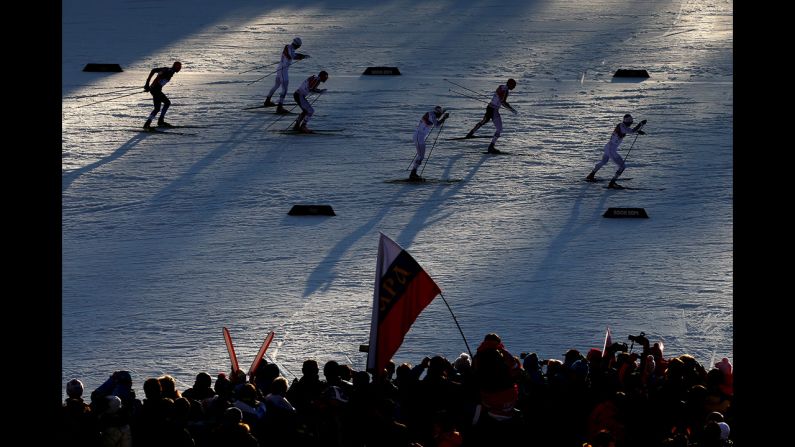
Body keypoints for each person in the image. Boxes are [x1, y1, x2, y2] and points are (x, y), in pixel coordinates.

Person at [585, 114, 647, 188]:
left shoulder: (621, 125)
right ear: (627, 122)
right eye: (630, 123)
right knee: (622, 166)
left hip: (608, 147)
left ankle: (591, 175)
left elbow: (629, 131)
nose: (630, 124)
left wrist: (638, 131)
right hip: (611, 150)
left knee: (604, 162)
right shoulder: (622, 126)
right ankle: (612, 183)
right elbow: (631, 131)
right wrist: (640, 124)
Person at [465, 78, 516, 153]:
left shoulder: (501, 86)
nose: (514, 87)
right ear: (510, 84)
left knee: (484, 121)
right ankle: (491, 147)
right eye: (513, 86)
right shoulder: (506, 90)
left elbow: (498, 97)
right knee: (499, 129)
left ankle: (470, 133)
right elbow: (503, 102)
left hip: (489, 107)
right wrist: (512, 109)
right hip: (494, 111)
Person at [265, 37, 310, 114]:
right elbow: (292, 56)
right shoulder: (289, 48)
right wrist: (302, 56)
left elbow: (292, 55)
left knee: (276, 85)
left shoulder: (288, 47)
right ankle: (279, 107)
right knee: (285, 89)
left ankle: (267, 101)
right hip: (283, 70)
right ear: (296, 45)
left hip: (280, 69)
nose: (298, 48)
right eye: (298, 46)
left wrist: (301, 56)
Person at [409, 106, 449, 180]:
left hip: (420, 137)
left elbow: (438, 116)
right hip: (418, 136)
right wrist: (443, 118)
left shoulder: (432, 114)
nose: (439, 116)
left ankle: (413, 173)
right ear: (437, 113)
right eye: (439, 114)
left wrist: (443, 113)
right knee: (420, 156)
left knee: (421, 156)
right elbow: (436, 125)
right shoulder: (432, 115)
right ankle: (413, 174)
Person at [143, 61, 182, 129]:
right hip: (156, 90)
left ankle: (155, 122)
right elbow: (158, 77)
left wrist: (148, 84)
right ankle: (151, 123)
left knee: (161, 106)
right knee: (163, 105)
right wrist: (149, 85)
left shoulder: (167, 69)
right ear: (176, 67)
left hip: (155, 89)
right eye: (179, 67)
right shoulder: (169, 71)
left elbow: (153, 70)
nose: (180, 69)